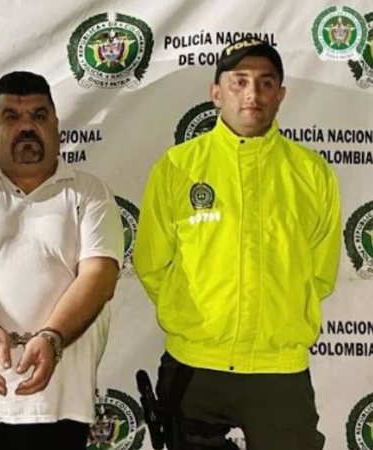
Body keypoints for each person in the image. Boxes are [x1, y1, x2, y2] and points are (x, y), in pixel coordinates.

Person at [134, 38, 341, 450]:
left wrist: (278, 319)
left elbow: (320, 272)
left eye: (266, 83)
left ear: (280, 94)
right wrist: (197, 319)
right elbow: (152, 263)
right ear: (216, 93)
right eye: (240, 81)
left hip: (278, 372)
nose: (253, 94)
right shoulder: (177, 167)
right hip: (195, 367)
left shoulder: (312, 173)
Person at [0, 71, 123, 450]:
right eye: (11, 117)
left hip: (58, 401)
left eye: (38, 116)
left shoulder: (89, 191)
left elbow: (99, 277)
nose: (26, 127)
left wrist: (52, 338)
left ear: (56, 124)